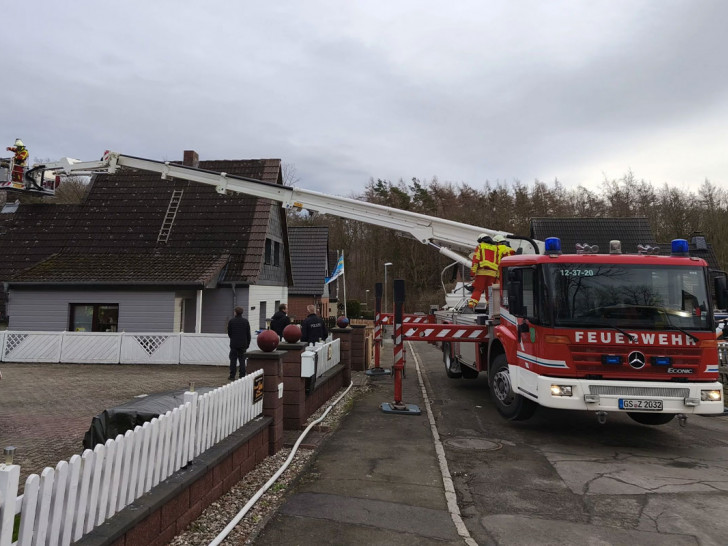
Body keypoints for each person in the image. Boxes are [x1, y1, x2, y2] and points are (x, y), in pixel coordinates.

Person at [468, 234, 514, 309]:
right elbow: (498, 262)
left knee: (478, 289)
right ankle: (490, 307)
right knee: (489, 292)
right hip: (493, 274)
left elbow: (475, 260)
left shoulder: (480, 246)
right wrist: (497, 275)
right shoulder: (496, 248)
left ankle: (471, 305)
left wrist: (472, 274)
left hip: (481, 272)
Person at [227, 306, 251, 380]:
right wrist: (247, 343)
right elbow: (248, 334)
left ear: (235, 312)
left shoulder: (231, 321)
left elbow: (229, 332)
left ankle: (232, 375)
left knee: (233, 360)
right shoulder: (245, 321)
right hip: (243, 344)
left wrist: (232, 338)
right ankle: (242, 375)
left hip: (234, 343)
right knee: (242, 360)